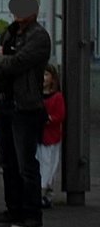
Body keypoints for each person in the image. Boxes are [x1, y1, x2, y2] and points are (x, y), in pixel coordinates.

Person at [0, 0, 52, 227]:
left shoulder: (39, 37)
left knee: (26, 163)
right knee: (8, 162)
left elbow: (18, 62)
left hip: (26, 107)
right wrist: (0, 60)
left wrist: (2, 61)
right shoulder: (9, 33)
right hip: (3, 104)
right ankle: (13, 208)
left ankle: (32, 213)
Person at [37, 64, 64, 209]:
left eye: (46, 75)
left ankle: (46, 193)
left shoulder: (56, 97)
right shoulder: (37, 95)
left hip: (50, 137)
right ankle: (42, 193)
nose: (43, 78)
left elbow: (59, 115)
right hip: (39, 137)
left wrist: (48, 119)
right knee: (41, 164)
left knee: (49, 165)